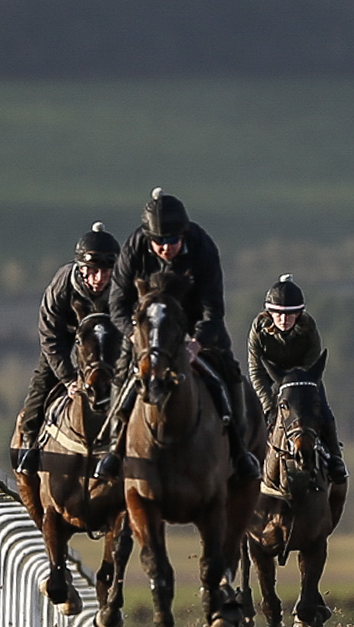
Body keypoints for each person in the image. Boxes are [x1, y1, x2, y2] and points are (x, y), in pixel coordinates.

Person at [105, 187, 255, 485]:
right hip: (147, 329)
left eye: (172, 241)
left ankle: (239, 451)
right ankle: (113, 448)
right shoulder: (133, 249)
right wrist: (135, 335)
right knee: (122, 373)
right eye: (158, 242)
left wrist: (197, 344)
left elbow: (213, 308)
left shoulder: (203, 247)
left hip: (196, 322)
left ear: (183, 235)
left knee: (229, 371)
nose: (164, 248)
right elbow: (117, 305)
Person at [12, 223, 121, 477]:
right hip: (64, 335)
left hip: (107, 340)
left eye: (106, 272)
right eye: (93, 271)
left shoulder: (120, 288)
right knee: (42, 380)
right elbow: (50, 337)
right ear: (81, 269)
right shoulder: (62, 285)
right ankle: (29, 441)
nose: (99, 279)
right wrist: (69, 378)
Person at [247, 274, 345, 483]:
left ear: (299, 314)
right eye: (278, 314)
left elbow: (310, 369)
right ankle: (242, 461)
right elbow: (256, 371)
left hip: (304, 382)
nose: (284, 320)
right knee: (247, 417)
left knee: (324, 412)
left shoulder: (309, 328)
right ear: (269, 313)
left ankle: (335, 458)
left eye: (290, 315)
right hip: (270, 381)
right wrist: (268, 404)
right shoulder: (258, 328)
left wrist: (297, 396)